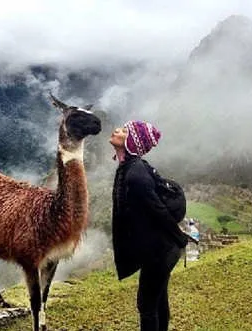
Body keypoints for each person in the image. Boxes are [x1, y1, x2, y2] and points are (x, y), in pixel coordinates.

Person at [110, 120, 189, 331]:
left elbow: (159, 211)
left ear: (132, 142)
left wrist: (180, 237)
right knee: (157, 299)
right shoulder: (130, 168)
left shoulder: (135, 175)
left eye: (124, 131)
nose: (117, 130)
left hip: (162, 251)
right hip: (157, 248)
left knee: (146, 305)